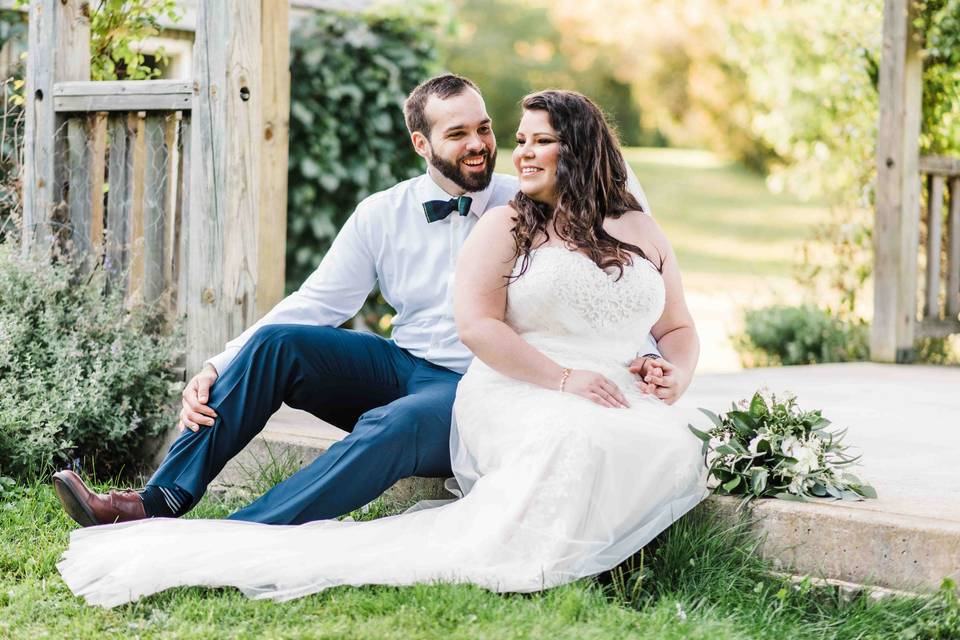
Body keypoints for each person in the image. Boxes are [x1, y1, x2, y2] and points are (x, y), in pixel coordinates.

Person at [57, 89, 707, 608]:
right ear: (422, 143)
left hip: (474, 383)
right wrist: (218, 364)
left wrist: (647, 359)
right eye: (459, 134)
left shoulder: (535, 198)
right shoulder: (384, 213)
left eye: (485, 127)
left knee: (393, 425)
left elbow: (620, 269)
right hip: (403, 363)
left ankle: (233, 535)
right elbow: (317, 302)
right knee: (282, 343)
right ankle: (160, 500)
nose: (481, 144)